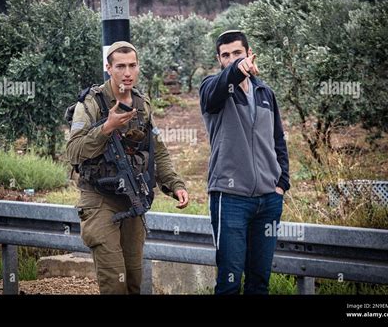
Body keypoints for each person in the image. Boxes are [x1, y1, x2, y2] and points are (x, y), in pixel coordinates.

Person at [66, 41, 189, 294]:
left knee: (133, 280)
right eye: (120, 66)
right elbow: (73, 152)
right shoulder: (90, 104)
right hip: (99, 200)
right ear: (108, 68)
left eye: (132, 65)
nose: (127, 72)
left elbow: (157, 150)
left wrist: (174, 184)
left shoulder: (141, 104)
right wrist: (106, 127)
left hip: (132, 199)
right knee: (115, 284)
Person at [199, 30, 290, 294]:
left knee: (259, 282)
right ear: (219, 60)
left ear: (249, 53)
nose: (231, 59)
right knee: (229, 282)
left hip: (268, 200)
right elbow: (220, 85)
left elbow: (278, 140)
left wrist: (281, 183)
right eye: (225, 55)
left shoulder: (265, 92)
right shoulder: (212, 89)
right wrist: (238, 69)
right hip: (230, 199)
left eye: (237, 53)